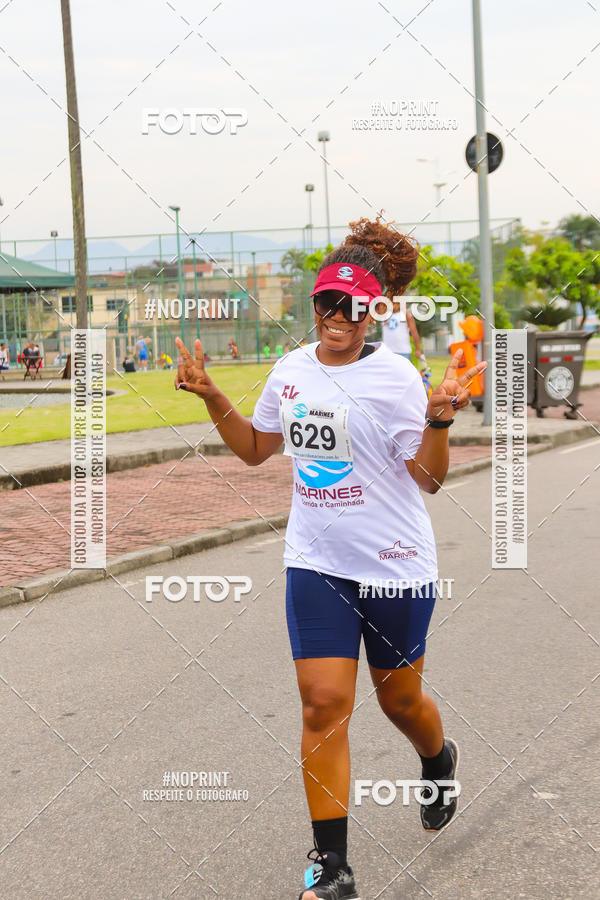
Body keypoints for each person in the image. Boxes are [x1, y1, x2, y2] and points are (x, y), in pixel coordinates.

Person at [173, 216, 486, 900]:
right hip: (317, 562)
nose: (336, 316)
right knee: (322, 705)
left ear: (374, 309)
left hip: (396, 564)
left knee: (400, 701)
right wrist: (214, 397)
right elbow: (258, 448)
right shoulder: (291, 370)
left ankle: (438, 758)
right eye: (324, 302)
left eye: (351, 305)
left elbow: (428, 480)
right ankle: (332, 866)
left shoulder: (397, 379)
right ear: (312, 303)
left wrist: (437, 422)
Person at [381, 298, 423, 363]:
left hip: (403, 352)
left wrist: (418, 349)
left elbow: (414, 332)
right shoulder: (384, 313)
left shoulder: (406, 314)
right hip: (387, 352)